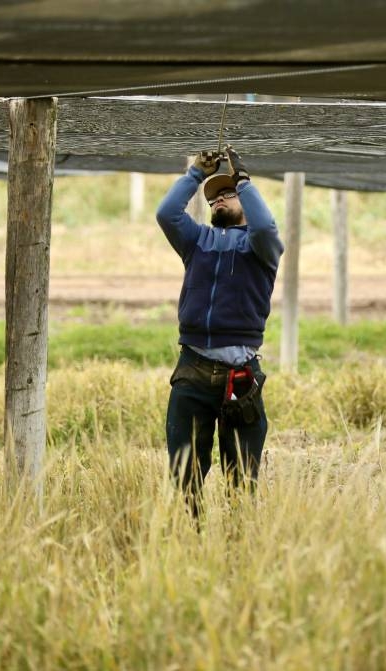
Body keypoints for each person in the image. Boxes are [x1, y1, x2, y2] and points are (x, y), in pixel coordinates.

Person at [155, 145, 284, 516]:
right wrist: (195, 174)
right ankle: (193, 538)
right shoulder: (197, 242)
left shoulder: (261, 247)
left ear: (243, 200)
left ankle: (237, 542)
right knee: (184, 474)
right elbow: (166, 213)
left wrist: (243, 182)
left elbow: (264, 225)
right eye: (213, 198)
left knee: (242, 477)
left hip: (240, 378)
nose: (218, 201)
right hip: (193, 370)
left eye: (227, 194)